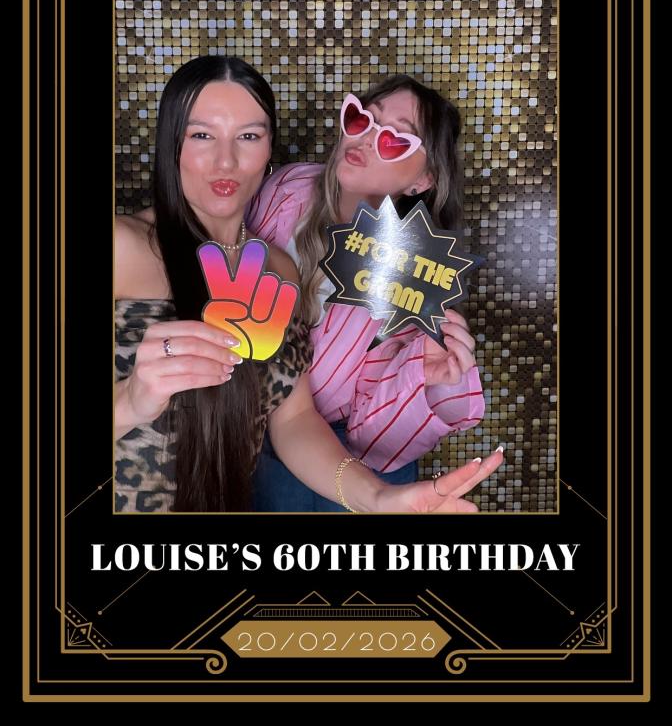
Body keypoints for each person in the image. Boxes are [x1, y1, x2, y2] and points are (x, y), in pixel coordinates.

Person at [115, 56, 503, 513]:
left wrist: (380, 497)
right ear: (171, 141)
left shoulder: (279, 269)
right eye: (202, 135)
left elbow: (293, 418)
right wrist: (129, 403)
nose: (226, 160)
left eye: (248, 136)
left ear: (269, 148)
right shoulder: (122, 246)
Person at [248, 76, 485, 510]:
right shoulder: (286, 188)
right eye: (362, 119)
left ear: (423, 180)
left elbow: (377, 438)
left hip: (348, 456)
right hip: (252, 430)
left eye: (395, 138)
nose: (369, 138)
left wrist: (422, 377)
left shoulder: (416, 274)